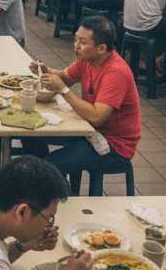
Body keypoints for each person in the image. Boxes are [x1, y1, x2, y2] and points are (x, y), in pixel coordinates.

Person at [22, 16, 141, 187]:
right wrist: (46, 71)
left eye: (83, 42)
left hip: (114, 144)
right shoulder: (87, 60)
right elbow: (66, 77)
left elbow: (97, 117)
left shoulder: (116, 72)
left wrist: (62, 89)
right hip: (89, 130)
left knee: (50, 165)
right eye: (75, 39)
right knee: (31, 133)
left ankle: (51, 187)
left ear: (101, 48)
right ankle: (41, 183)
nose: (76, 45)